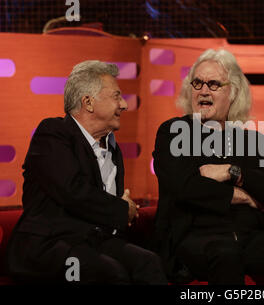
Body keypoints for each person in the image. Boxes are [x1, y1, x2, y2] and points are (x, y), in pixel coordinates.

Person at [152, 49, 264, 285]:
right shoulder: (173, 133)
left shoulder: (250, 141)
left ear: (232, 93)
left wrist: (233, 172)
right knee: (225, 253)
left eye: (213, 84)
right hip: (196, 239)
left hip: (248, 237)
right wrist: (241, 195)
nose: (203, 90)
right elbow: (185, 187)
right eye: (197, 83)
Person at [6, 60, 167, 284]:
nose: (124, 105)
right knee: (109, 273)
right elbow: (72, 191)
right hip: (49, 246)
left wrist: (123, 208)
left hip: (93, 241)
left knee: (148, 263)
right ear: (88, 102)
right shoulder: (53, 133)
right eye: (116, 96)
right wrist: (122, 208)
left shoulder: (113, 147)